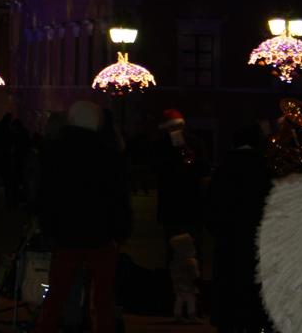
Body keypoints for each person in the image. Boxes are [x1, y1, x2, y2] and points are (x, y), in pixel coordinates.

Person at [35, 100, 132, 333]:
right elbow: (119, 198)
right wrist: (120, 232)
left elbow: (46, 195)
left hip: (66, 234)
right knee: (103, 299)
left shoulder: (55, 153)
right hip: (102, 234)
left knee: (56, 296)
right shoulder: (110, 155)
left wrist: (49, 228)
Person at [205, 123, 271, 333]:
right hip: (256, 235)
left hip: (228, 236)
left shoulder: (224, 167)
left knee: (228, 281)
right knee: (252, 282)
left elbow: (212, 203)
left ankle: (227, 321)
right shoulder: (264, 166)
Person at [152, 109, 208, 267]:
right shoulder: (162, 145)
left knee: (181, 247)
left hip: (181, 203)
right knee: (184, 247)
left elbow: (203, 168)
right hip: (183, 203)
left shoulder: (191, 143)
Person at [169, 233, 201, 323]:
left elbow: (173, 273)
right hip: (187, 284)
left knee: (179, 299)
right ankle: (191, 316)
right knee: (191, 299)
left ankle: (177, 315)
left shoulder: (175, 262)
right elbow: (194, 274)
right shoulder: (190, 261)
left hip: (178, 284)